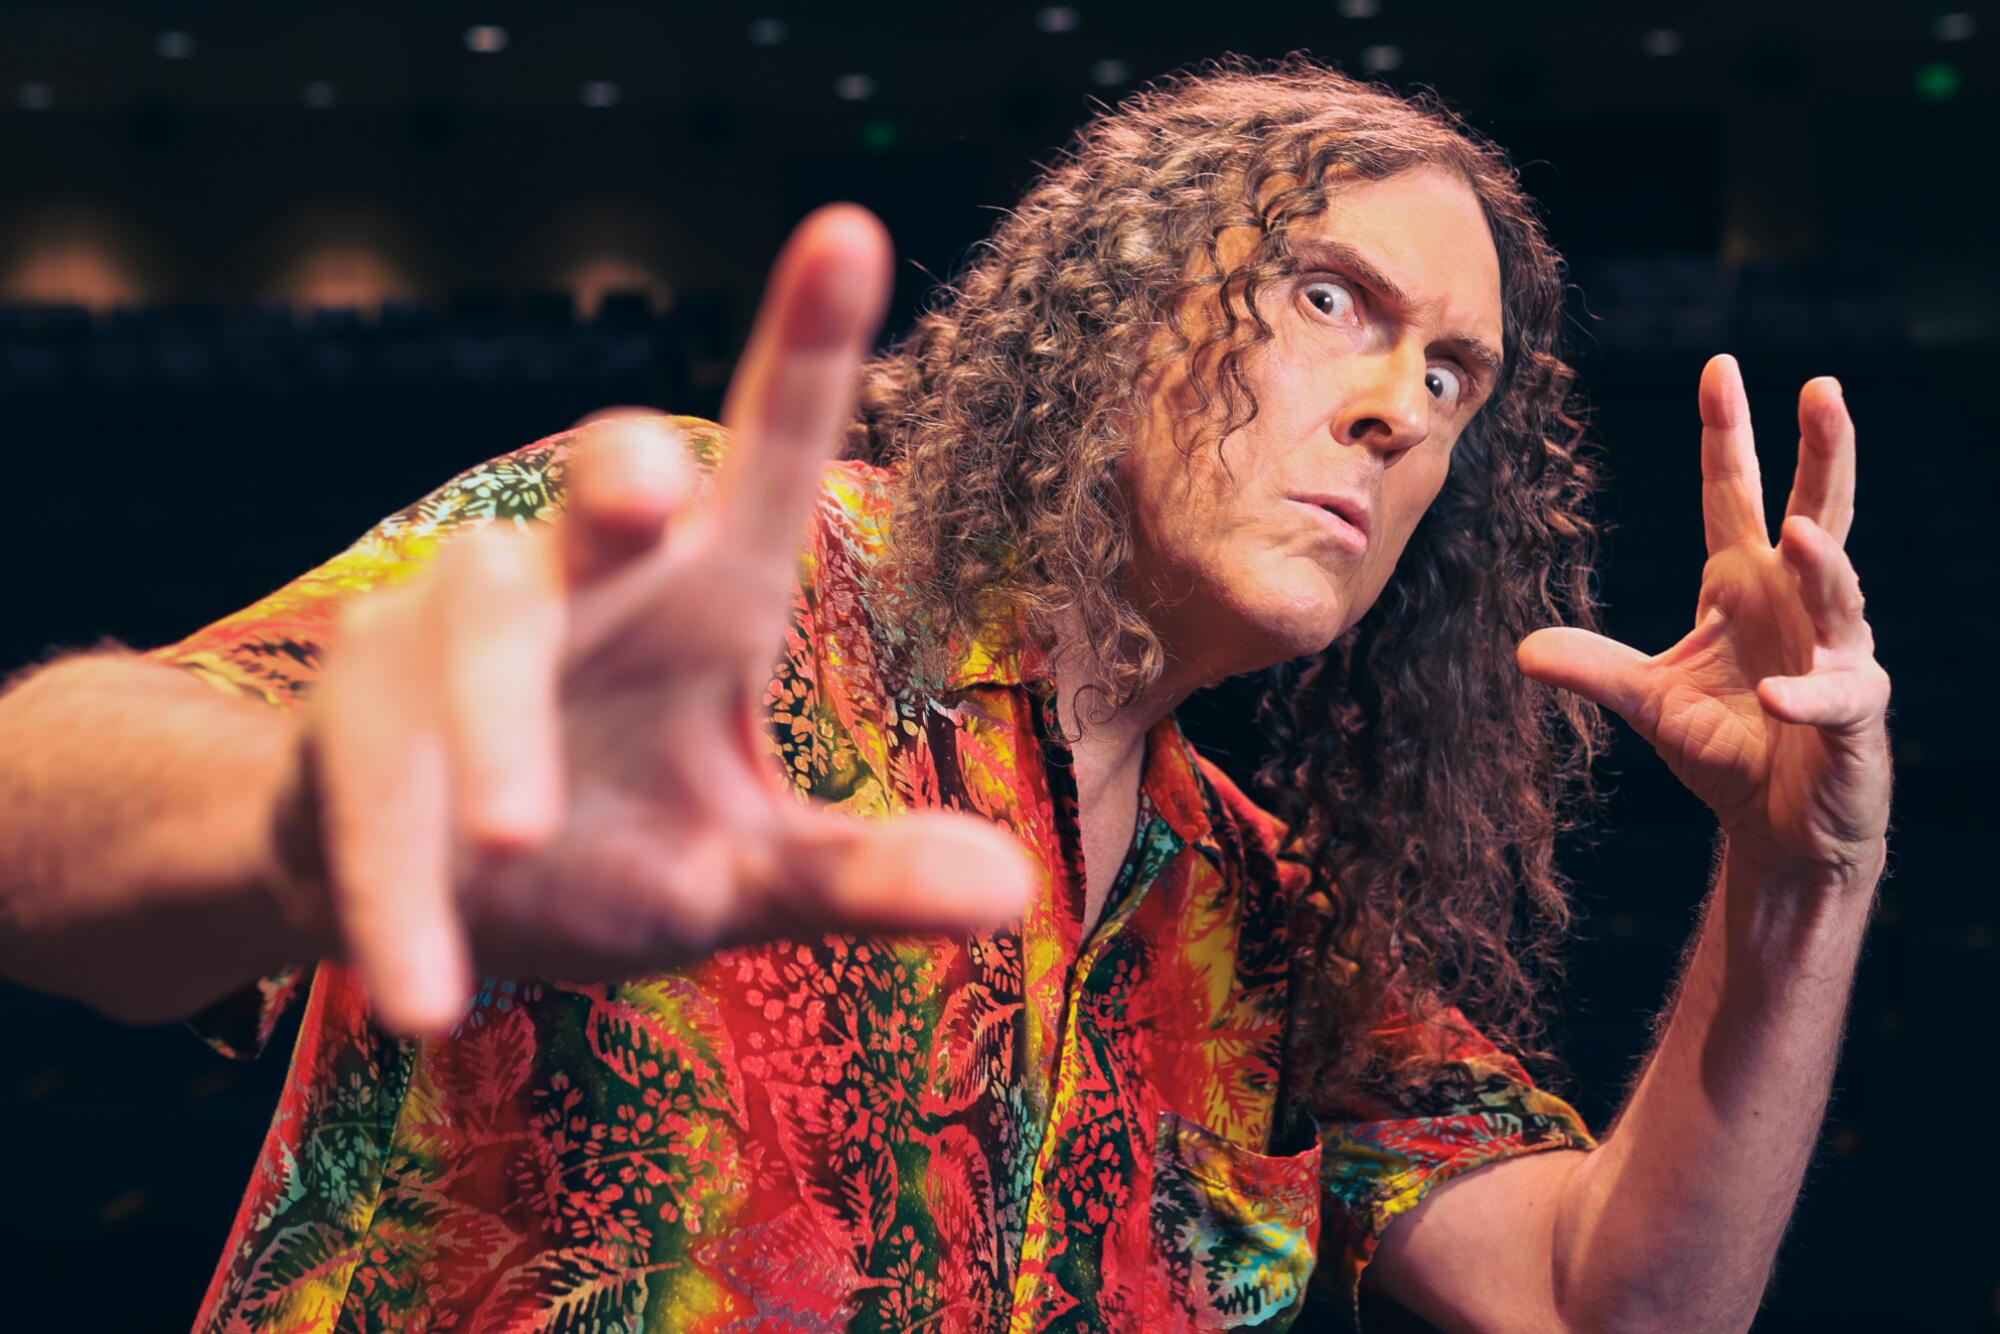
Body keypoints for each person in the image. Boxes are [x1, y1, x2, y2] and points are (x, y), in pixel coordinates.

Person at [0, 59, 1890, 1333]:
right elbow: (36, 802)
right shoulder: (696, 574)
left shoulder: (1266, 920)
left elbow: (1606, 1296)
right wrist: (319, 810)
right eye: (1333, 300)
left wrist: (1798, 887)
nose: (1406, 406)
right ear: (1124, 299)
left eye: (1457, 377)